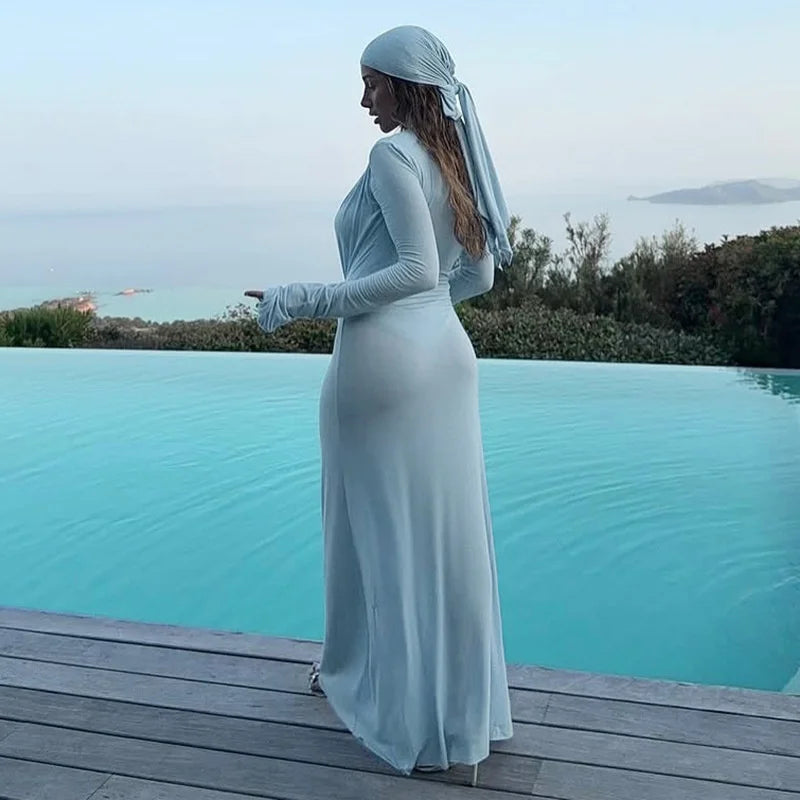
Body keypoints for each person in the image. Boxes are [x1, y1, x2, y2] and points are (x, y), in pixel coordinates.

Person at [244, 25, 513, 781]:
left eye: (371, 82)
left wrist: (301, 298)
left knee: (372, 532)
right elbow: (473, 280)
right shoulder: (454, 161)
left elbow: (408, 270)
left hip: (385, 364)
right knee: (441, 539)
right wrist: (430, 312)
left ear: (401, 85)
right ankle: (457, 715)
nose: (363, 97)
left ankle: (384, 697)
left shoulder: (392, 156)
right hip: (447, 361)